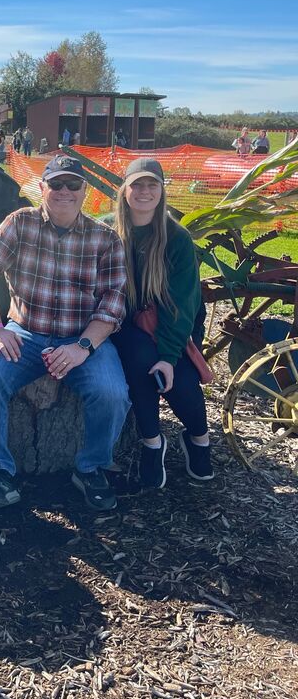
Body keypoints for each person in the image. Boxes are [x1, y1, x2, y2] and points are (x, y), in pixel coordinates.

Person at [0, 154, 130, 514]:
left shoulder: (105, 239)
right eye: (56, 184)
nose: (64, 192)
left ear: (84, 191)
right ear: (42, 188)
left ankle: (91, 468)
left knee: (112, 393)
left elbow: (113, 304)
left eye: (73, 185)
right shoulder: (19, 224)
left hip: (82, 338)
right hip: (25, 334)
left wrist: (83, 347)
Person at [109, 158, 214, 488]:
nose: (144, 191)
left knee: (178, 377)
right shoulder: (109, 232)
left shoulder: (177, 239)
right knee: (141, 360)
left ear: (162, 191)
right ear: (125, 191)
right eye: (137, 185)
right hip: (128, 326)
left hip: (174, 322)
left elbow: (183, 305)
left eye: (152, 185)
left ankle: (199, 438)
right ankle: (153, 444)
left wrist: (169, 356)